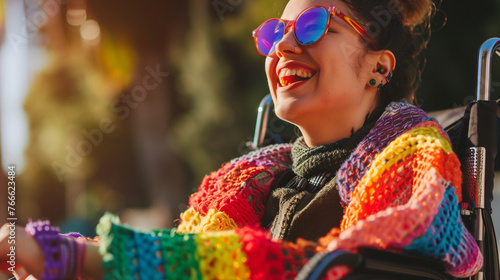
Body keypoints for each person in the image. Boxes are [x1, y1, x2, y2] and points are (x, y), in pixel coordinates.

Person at [0, 0, 484, 279]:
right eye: (275, 33)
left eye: (316, 24)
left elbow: (337, 268)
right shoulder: (247, 180)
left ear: (378, 66)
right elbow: (180, 251)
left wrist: (79, 260)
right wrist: (57, 253)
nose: (285, 47)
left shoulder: (416, 159)